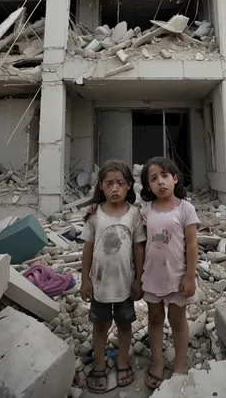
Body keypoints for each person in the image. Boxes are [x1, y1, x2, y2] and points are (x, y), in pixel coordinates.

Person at [80, 159, 146, 394]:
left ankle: (122, 361)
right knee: (100, 325)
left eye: (120, 183)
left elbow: (139, 249)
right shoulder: (95, 214)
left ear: (129, 186)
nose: (115, 188)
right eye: (109, 183)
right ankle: (99, 364)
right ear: (101, 187)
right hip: (99, 284)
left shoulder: (135, 215)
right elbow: (87, 247)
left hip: (125, 285)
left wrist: (138, 280)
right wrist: (85, 279)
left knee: (125, 324)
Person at [139, 157, 199, 390]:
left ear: (175, 179)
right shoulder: (145, 211)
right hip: (153, 276)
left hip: (177, 276)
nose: (160, 182)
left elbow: (192, 244)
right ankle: (156, 362)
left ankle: (181, 362)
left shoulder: (186, 208)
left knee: (177, 319)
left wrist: (190, 276)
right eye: (153, 179)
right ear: (148, 186)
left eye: (165, 176)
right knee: (154, 318)